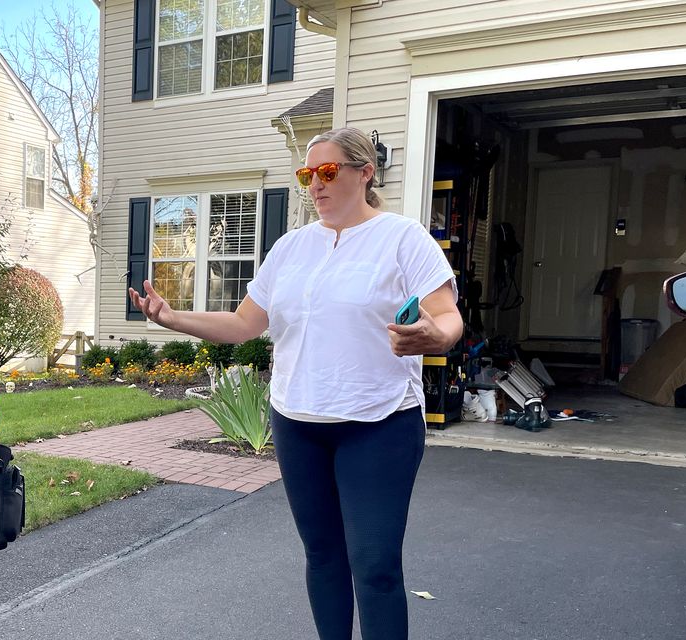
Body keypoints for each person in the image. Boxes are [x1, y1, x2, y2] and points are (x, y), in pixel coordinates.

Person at [130, 127, 462, 640]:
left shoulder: (402, 238)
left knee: (373, 566)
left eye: (328, 173)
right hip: (298, 423)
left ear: (365, 172)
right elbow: (245, 323)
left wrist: (433, 335)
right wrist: (173, 319)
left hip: (378, 422)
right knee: (323, 556)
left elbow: (448, 316)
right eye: (308, 175)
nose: (315, 186)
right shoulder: (291, 248)